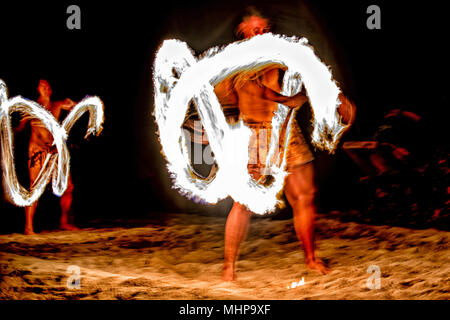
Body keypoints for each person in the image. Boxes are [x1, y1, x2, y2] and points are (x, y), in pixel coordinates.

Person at [216, 11, 355, 281]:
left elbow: (314, 75)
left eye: (264, 28)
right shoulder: (233, 63)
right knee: (243, 202)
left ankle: (311, 259)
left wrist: (336, 98)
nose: (261, 32)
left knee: (305, 196)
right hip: (255, 136)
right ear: (242, 30)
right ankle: (228, 267)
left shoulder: (284, 54)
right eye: (254, 28)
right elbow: (224, 99)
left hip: (288, 133)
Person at [16, 79, 78, 235]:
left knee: (68, 187)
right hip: (37, 151)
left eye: (48, 85)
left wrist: (76, 104)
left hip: (54, 151)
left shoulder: (57, 104)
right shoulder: (32, 107)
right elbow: (20, 127)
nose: (46, 87)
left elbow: (77, 107)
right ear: (37, 89)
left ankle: (64, 222)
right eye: (42, 85)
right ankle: (28, 227)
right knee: (34, 189)